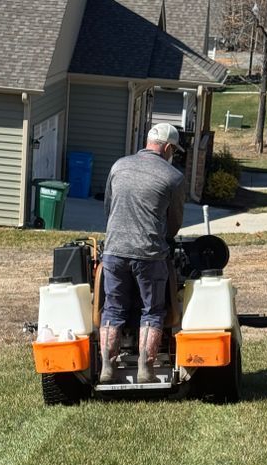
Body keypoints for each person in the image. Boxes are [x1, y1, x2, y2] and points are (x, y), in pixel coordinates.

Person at [99, 122, 186, 384]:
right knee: (152, 310)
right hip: (149, 254)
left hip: (114, 251)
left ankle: (106, 366)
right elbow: (174, 223)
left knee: (112, 308)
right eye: (174, 150)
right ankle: (145, 368)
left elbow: (109, 208)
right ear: (168, 148)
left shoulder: (118, 166)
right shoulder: (173, 177)